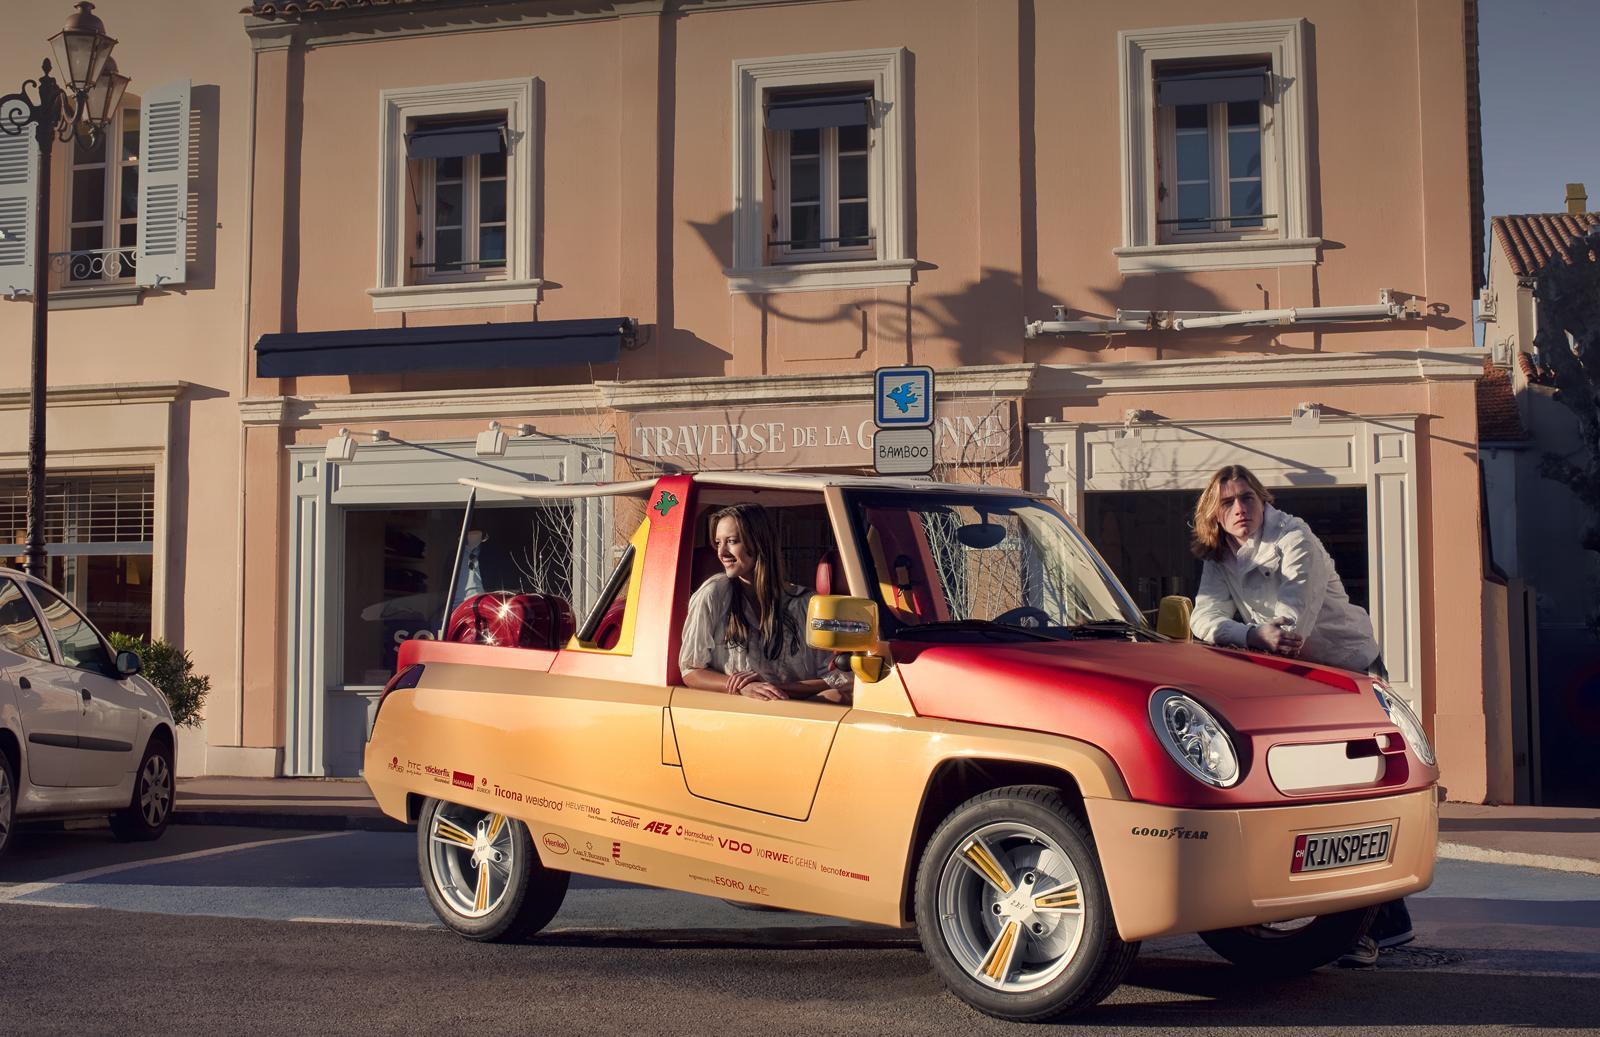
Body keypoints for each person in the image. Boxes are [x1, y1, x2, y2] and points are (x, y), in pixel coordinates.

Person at [1187, 464, 1412, 967]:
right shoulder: (1219, 554)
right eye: (1227, 503)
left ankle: (1368, 927)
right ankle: (1380, 922)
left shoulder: (1295, 537)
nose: (1239, 509)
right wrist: (1250, 636)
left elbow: (1292, 627)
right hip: (1297, 682)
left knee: (1355, 797)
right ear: (1214, 513)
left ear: (1263, 500)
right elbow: (1204, 619)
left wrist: (1260, 635)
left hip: (1348, 673)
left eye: (1247, 498)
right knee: (1315, 803)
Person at [679, 503, 851, 704]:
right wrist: (742, 686)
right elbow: (690, 670)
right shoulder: (713, 595)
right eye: (718, 543)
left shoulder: (807, 604)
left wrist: (772, 690)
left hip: (795, 715)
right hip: (734, 716)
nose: (721, 552)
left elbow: (838, 679)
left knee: (837, 697)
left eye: (732, 541)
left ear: (760, 543)